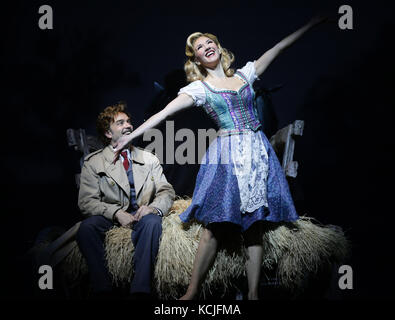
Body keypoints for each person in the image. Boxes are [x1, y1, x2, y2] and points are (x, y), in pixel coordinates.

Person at [113, 16, 328, 300]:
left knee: (254, 226)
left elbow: (277, 49)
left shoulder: (244, 75)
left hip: (257, 152)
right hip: (228, 154)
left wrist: (311, 24)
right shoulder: (199, 89)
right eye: (201, 47)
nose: (207, 47)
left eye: (210, 42)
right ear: (198, 59)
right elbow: (162, 114)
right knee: (214, 224)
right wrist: (130, 137)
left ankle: (252, 294)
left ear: (218, 47)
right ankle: (191, 292)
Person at [76, 102, 175, 299]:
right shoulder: (94, 162)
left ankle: (140, 290)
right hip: (111, 218)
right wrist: (115, 213)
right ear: (108, 133)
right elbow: (87, 202)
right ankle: (103, 290)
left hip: (141, 216)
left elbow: (166, 191)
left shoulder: (149, 159)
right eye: (120, 123)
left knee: (153, 223)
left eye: (129, 121)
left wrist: (153, 208)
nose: (128, 125)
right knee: (86, 229)